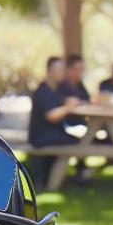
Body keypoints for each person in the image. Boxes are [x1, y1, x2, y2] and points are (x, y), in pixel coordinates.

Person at [27, 56, 83, 187]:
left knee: (80, 141)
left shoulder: (57, 89)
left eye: (63, 69)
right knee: (79, 143)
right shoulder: (43, 91)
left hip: (53, 133)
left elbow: (68, 100)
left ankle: (73, 175)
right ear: (49, 71)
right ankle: (74, 177)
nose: (62, 72)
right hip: (41, 137)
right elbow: (51, 115)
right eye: (59, 69)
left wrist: (70, 102)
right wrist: (68, 107)